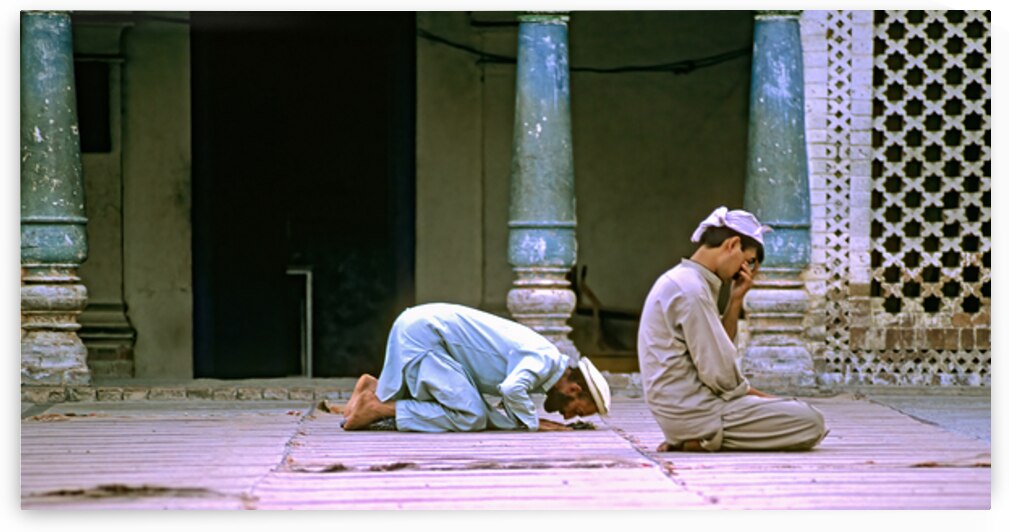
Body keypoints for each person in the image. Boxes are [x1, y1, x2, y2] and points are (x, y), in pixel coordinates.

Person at [637, 206, 827, 452]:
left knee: (795, 411)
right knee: (810, 421)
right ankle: (702, 437)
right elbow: (721, 377)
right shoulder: (690, 290)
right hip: (696, 411)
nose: (744, 271)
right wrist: (763, 398)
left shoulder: (688, 281)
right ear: (732, 244)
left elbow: (717, 350)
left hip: (687, 410)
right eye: (748, 261)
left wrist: (735, 300)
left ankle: (698, 437)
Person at [341, 302, 611, 432]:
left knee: (472, 409)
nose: (567, 416)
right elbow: (510, 389)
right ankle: (377, 408)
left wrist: (522, 421)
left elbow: (503, 406)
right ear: (575, 389)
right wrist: (533, 424)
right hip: (426, 334)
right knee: (470, 416)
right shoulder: (545, 360)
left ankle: (372, 389)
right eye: (575, 410)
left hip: (421, 328)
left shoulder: (545, 365)